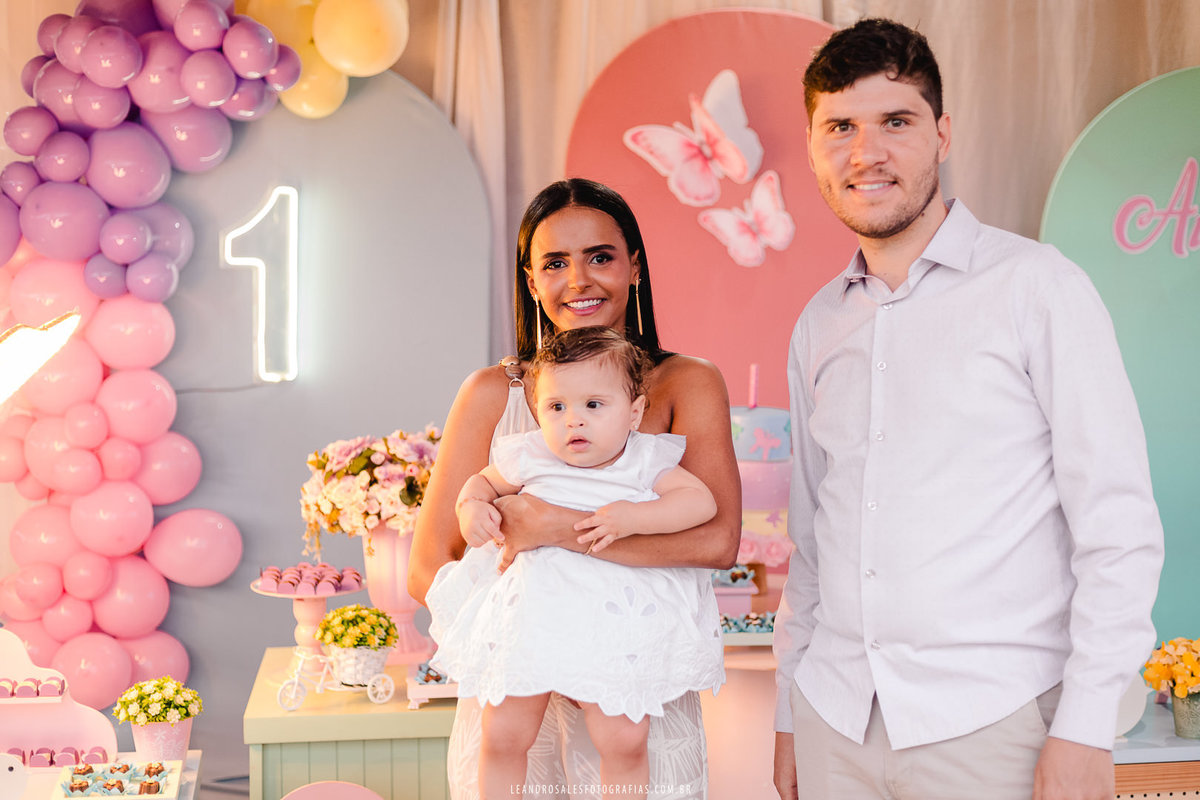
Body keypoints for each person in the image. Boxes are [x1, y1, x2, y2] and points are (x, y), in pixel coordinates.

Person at [773, 17, 1164, 800]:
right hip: (834, 722)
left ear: (942, 133)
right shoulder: (819, 322)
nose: (865, 152)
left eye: (895, 122)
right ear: (813, 145)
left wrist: (1085, 726)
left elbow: (1117, 527)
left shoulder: (1038, 288)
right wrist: (790, 716)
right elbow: (813, 543)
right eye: (839, 127)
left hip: (995, 727)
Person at [408, 178, 741, 800]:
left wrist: (550, 529)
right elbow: (428, 565)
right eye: (555, 263)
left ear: (634, 267)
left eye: (600, 257)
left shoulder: (687, 384)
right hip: (515, 695)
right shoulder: (491, 394)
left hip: (634, 685)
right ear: (532, 282)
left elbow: (717, 540)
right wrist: (537, 639)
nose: (579, 280)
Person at [427, 326, 725, 800]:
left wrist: (636, 517)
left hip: (613, 621)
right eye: (557, 407)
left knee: (624, 741)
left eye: (593, 405)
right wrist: (471, 509)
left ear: (634, 412)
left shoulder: (644, 460)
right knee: (503, 733)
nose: (574, 422)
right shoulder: (531, 454)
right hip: (533, 616)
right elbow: (479, 483)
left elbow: (700, 504)